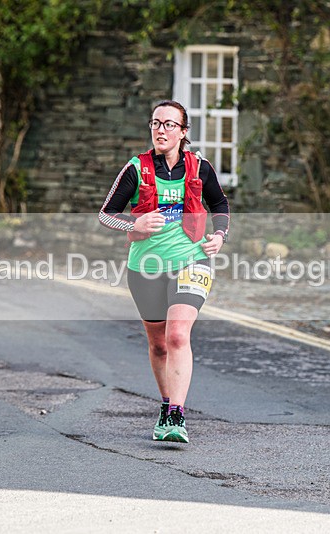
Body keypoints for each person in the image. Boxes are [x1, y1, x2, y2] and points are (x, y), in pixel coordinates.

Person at [99, 100, 230, 443]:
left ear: (183, 132)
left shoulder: (199, 166)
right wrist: (135, 220)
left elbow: (220, 204)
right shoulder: (136, 168)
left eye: (170, 124)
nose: (161, 130)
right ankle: (166, 403)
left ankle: (176, 416)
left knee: (177, 336)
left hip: (192, 259)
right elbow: (106, 213)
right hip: (145, 267)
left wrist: (219, 235)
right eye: (156, 123)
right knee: (158, 345)